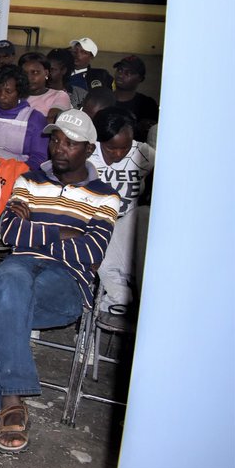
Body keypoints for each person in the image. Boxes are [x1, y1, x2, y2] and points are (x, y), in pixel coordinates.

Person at [0, 109, 120, 459]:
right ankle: (9, 404)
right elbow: (7, 231)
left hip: (66, 283)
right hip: (19, 270)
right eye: (55, 140)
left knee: (2, 300)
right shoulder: (30, 180)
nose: (59, 148)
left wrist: (35, 231)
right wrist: (64, 232)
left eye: (70, 143)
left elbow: (91, 251)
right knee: (11, 283)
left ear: (89, 149)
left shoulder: (106, 195)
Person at [89, 107, 155, 318]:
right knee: (101, 237)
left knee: (144, 214)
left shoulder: (143, 153)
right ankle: (117, 298)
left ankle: (125, 296)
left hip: (127, 227)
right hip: (94, 225)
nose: (118, 154)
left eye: (124, 148)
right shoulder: (87, 155)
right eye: (111, 148)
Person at [111, 55, 158, 141]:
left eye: (128, 73)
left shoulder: (147, 104)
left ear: (140, 78)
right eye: (120, 70)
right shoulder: (102, 100)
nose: (121, 75)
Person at [18, 52, 70, 119]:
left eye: (35, 72)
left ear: (46, 73)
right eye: (24, 73)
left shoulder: (59, 96)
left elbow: (52, 121)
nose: (29, 77)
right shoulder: (15, 96)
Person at [67, 37, 114, 108]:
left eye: (83, 52)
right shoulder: (61, 71)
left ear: (91, 57)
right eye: (75, 51)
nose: (77, 55)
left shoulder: (98, 76)